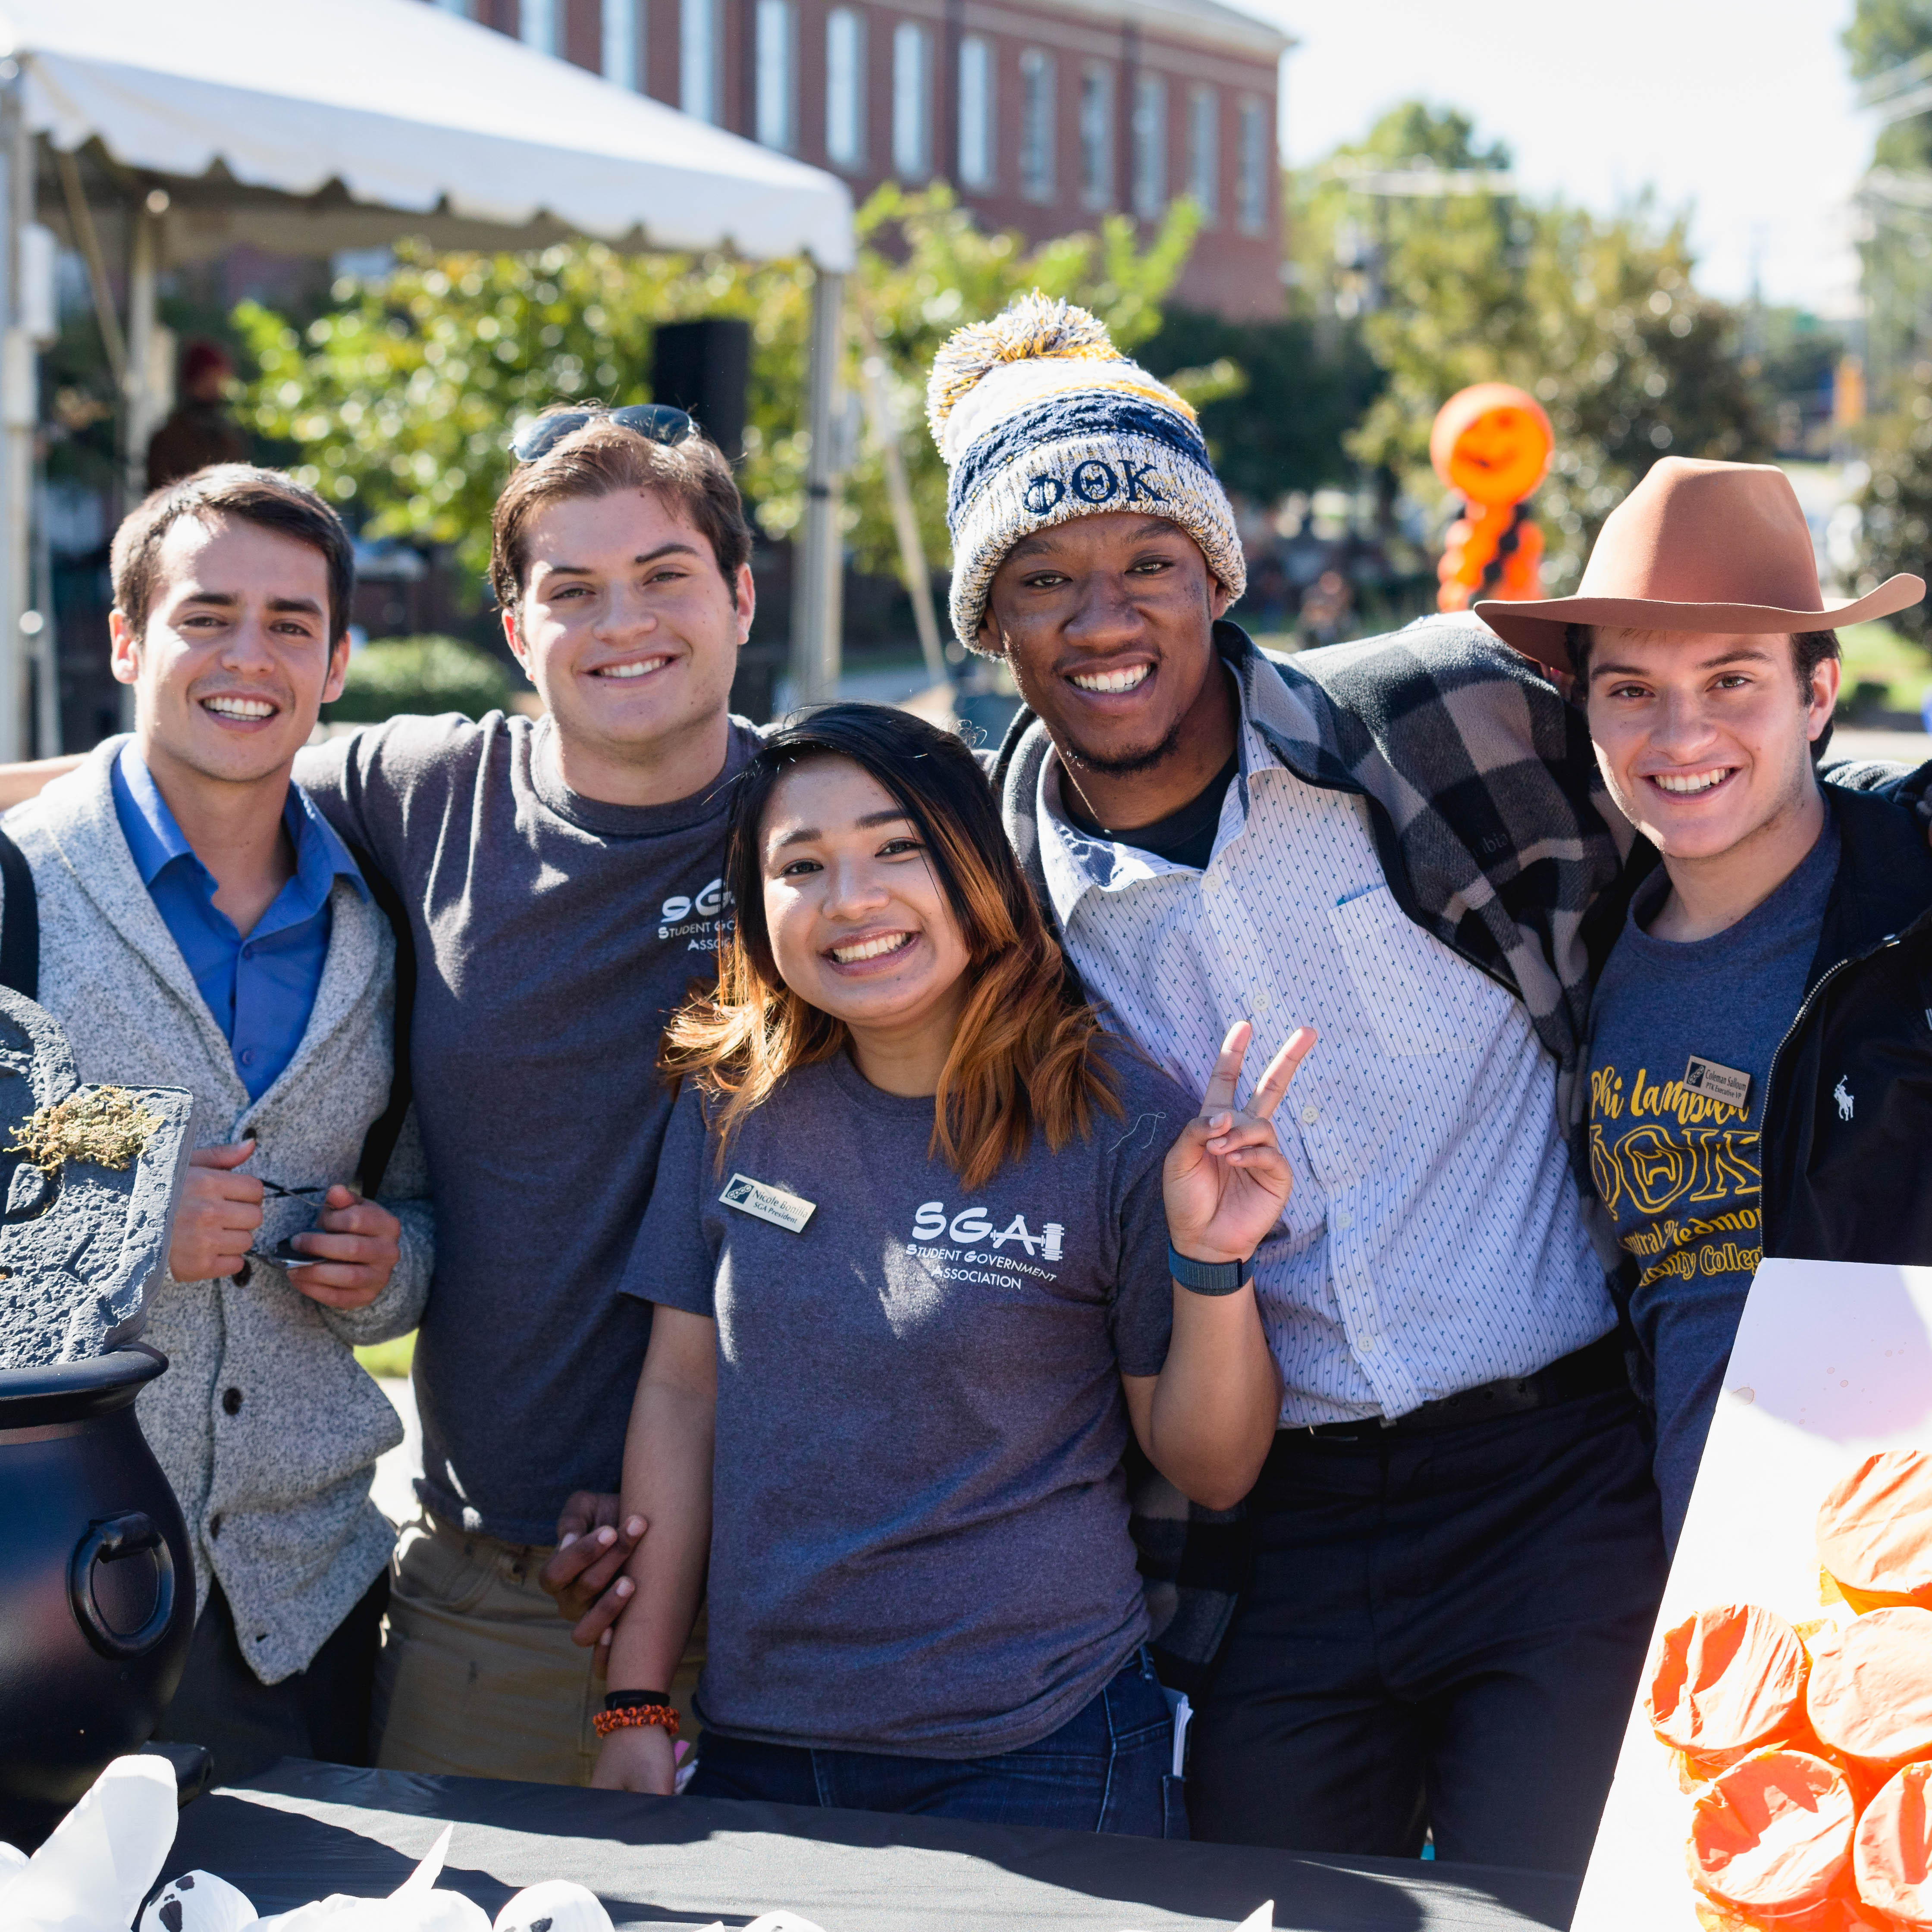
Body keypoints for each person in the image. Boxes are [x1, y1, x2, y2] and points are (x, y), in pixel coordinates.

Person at [924, 292, 1681, 1869]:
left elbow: (1722, 798)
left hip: (1559, 1484)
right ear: (990, 623)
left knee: (1549, 1907)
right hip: (1271, 1532)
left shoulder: (1440, 716)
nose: (1105, 615)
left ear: (1216, 574)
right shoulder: (995, 888)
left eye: (1149, 563)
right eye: (1045, 579)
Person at [592, 703, 1299, 1832]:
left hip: (1039, 1753)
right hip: (759, 1748)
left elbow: (1211, 1470)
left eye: (896, 847)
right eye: (802, 866)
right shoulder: (732, 1103)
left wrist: (1215, 1262)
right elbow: (681, 1397)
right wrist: (634, 1707)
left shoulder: (1114, 1118)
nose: (852, 899)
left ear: (975, 866)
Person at [0, 465, 430, 1779]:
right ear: (127, 639)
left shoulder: (386, 918)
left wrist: (389, 1266)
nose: (249, 656)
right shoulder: (16, 887)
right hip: (30, 1596)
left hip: (304, 1614)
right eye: (205, 615)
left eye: (292, 622)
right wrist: (128, 1227)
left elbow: (419, 1206)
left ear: (339, 661)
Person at [1476, 457, 1931, 1552]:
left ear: (1817, 696)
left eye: (1733, 682)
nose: (1681, 738)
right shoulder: (1585, 958)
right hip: (1723, 1591)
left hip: (1895, 1545)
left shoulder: (1912, 908)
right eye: (1633, 690)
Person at [146, 341, 251, 489]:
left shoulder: (227, 435)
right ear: (195, 380)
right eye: (211, 376)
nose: (218, 385)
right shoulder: (170, 438)